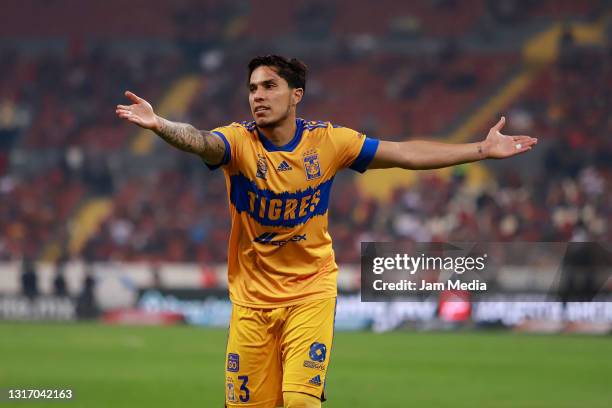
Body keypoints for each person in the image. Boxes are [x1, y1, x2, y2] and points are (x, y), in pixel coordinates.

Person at [116, 55, 537, 408]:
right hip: (251, 300)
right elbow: (201, 142)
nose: (258, 96)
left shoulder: (329, 142)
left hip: (310, 292)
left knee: (300, 401)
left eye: (269, 86)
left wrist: (480, 149)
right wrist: (161, 126)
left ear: (296, 95)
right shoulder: (239, 142)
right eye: (252, 89)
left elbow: (404, 153)